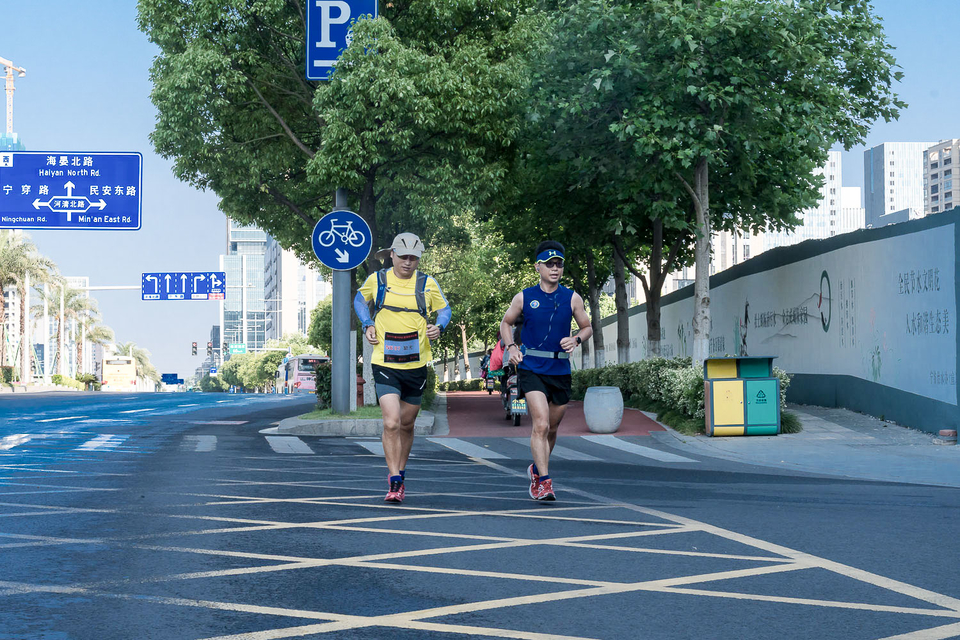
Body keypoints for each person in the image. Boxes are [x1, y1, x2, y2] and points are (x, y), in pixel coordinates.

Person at [354, 232, 452, 503]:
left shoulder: (427, 283)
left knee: (407, 424)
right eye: (404, 257)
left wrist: (438, 326)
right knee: (391, 421)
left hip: (417, 364)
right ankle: (394, 479)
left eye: (414, 258)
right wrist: (367, 323)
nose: (408, 263)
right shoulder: (378, 280)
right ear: (392, 255)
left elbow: (445, 310)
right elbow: (360, 301)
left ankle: (401, 472)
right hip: (384, 362)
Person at [499, 241, 592, 501]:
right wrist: (511, 347)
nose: (554, 268)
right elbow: (506, 323)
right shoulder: (524, 297)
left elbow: (587, 327)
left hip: (560, 369)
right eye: (549, 264)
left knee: (551, 428)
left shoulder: (572, 298)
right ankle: (545, 482)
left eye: (559, 264)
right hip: (531, 368)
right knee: (540, 423)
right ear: (538, 266)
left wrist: (576, 339)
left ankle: (537, 471)